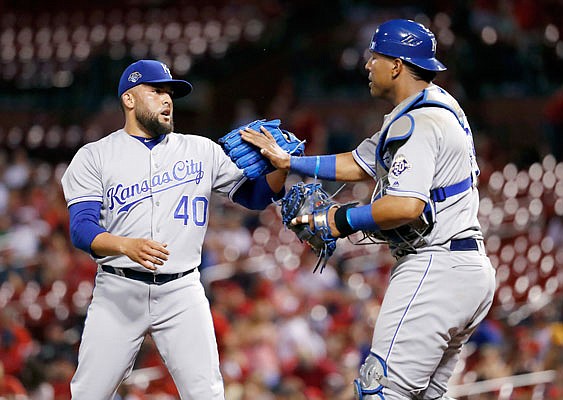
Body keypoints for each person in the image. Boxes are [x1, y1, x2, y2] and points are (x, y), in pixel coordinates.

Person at [241, 19, 496, 399]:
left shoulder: (420, 122)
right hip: (467, 271)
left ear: (396, 64)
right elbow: (359, 163)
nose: (367, 65)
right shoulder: (437, 107)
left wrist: (340, 219)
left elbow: (407, 206)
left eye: (374, 56)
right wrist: (289, 162)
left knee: (380, 392)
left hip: (435, 267)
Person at [60, 59, 289, 399]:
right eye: (156, 91)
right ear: (129, 99)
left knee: (208, 394)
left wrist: (281, 167)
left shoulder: (201, 150)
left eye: (170, 93)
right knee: (89, 393)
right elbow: (81, 230)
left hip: (182, 291)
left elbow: (255, 196)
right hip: (118, 291)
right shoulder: (95, 156)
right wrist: (126, 246)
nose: (167, 99)